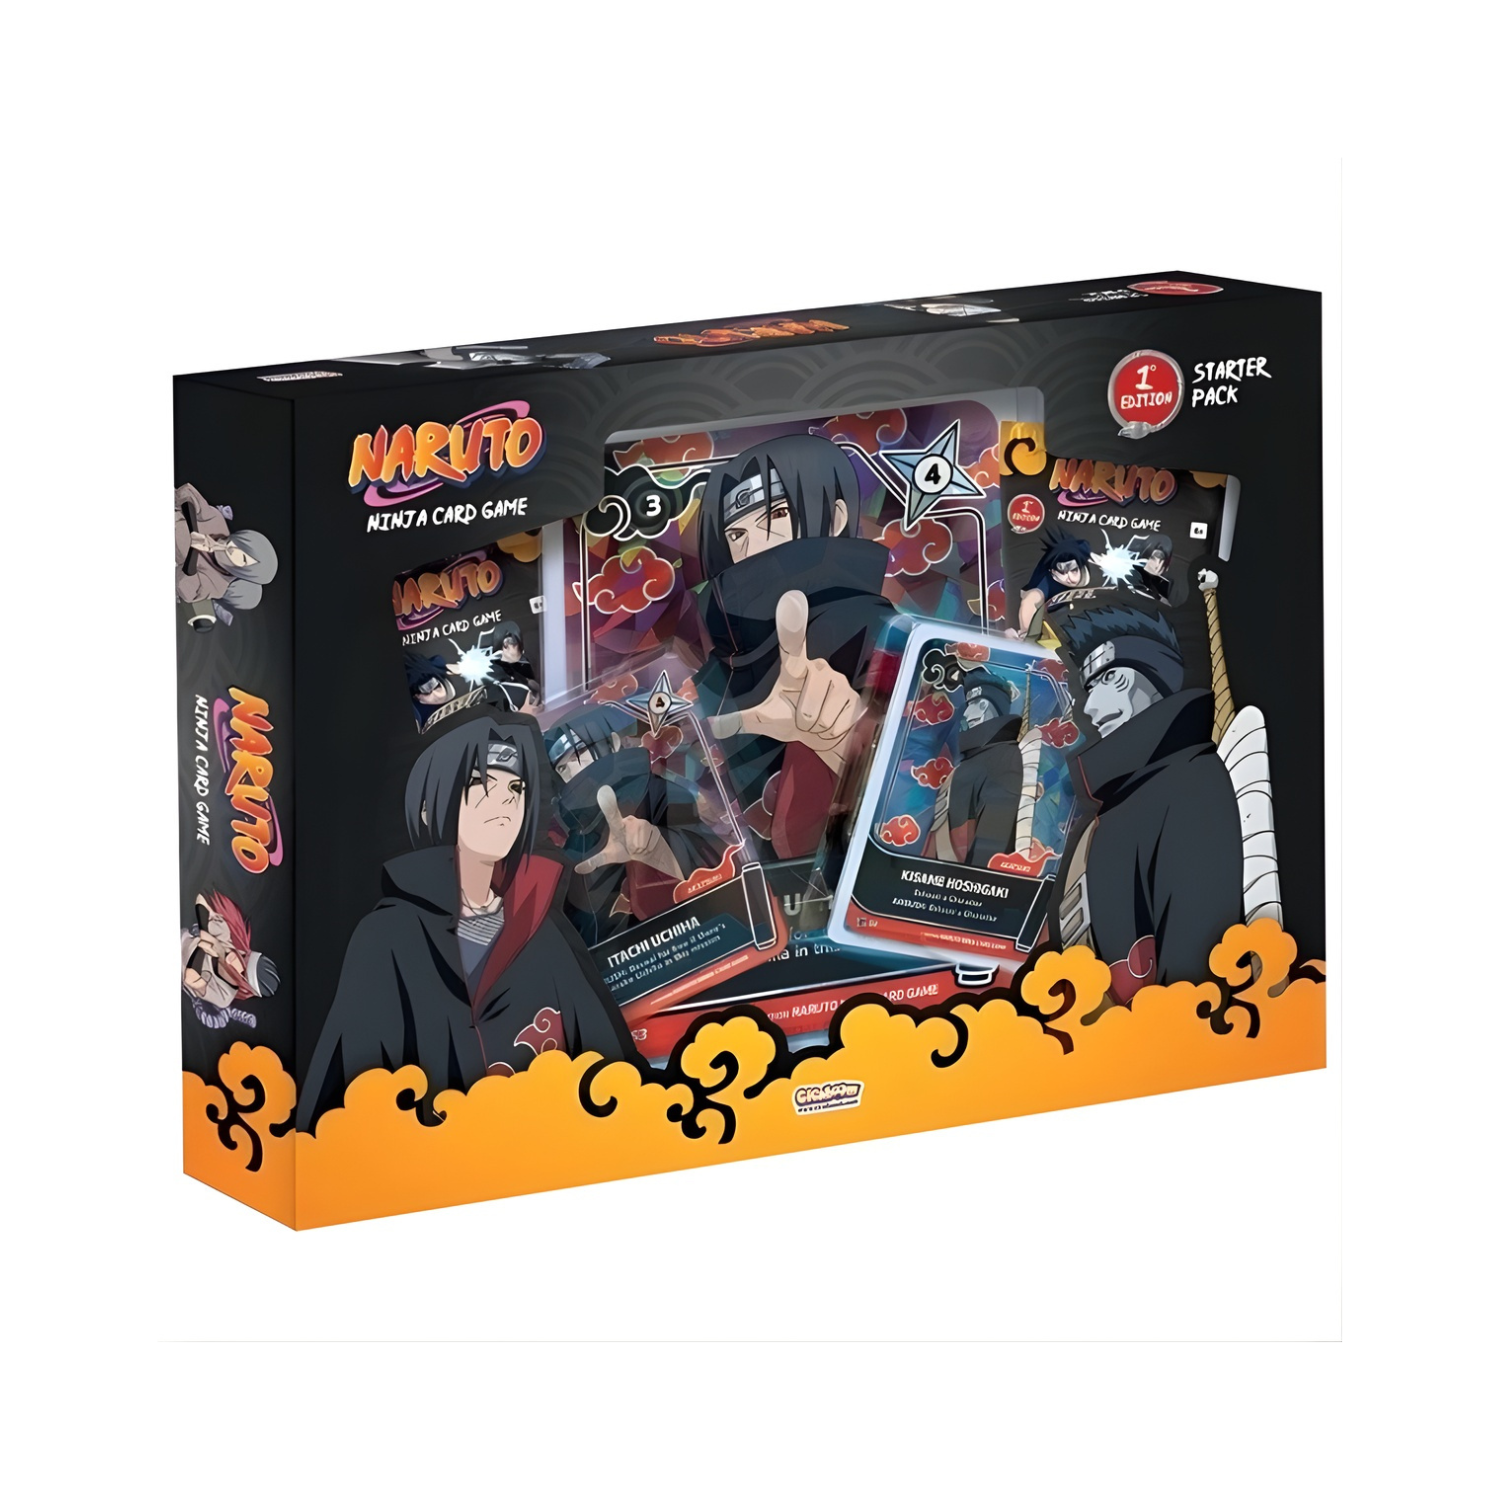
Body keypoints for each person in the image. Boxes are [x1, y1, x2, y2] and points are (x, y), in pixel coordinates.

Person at [296, 713, 636, 1130]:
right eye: (480, 784)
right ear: (429, 808)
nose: (504, 803)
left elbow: (614, 1072)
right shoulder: (388, 939)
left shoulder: (540, 929)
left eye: (515, 788)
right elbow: (346, 1100)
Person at [693, 433, 895, 860]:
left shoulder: (883, 635)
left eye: (778, 513)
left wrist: (840, 742)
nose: (754, 546)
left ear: (835, 517)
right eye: (736, 533)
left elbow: (922, 797)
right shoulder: (715, 674)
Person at [1052, 606, 1241, 1003]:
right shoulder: (1126, 799)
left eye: (1103, 682)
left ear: (1133, 678)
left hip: (1166, 1031)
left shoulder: (1191, 782)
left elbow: (1195, 979)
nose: (1089, 709)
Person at [546, 705, 722, 945]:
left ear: (614, 743)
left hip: (699, 936)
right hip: (620, 958)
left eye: (580, 753)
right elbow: (578, 929)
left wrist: (657, 848)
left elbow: (714, 868)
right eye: (563, 767)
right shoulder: (574, 846)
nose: (574, 770)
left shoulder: (659, 793)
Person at [931, 677, 1026, 868]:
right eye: (969, 704)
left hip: (965, 880)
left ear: (990, 708)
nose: (967, 714)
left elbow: (992, 846)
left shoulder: (1006, 759)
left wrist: (972, 879)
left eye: (977, 704)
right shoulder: (976, 759)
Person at [174, 483, 279, 630]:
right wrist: (194, 531)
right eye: (242, 547)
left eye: (243, 560)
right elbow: (186, 495)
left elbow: (184, 584)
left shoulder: (219, 585)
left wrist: (194, 549)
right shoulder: (217, 522)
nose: (236, 551)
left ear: (245, 572)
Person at [181, 891, 279, 1030]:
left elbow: (190, 979)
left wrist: (203, 949)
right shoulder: (225, 938)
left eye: (243, 972)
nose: (238, 959)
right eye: (244, 956)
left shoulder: (223, 996)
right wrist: (205, 929)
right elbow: (200, 899)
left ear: (244, 988)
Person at [1016, 526, 1093, 636]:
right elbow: (1031, 600)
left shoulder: (1088, 569)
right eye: (1062, 572)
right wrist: (1027, 632)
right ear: (1053, 571)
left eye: (1074, 570)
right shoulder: (1047, 584)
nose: (1070, 578)